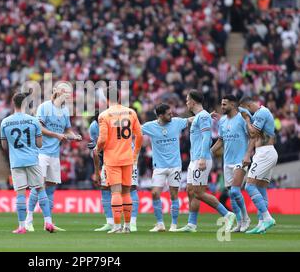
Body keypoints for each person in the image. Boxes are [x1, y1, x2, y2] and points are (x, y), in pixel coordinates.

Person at [175, 90, 236, 233]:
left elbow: (206, 137)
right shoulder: (201, 117)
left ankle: (228, 214)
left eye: (187, 100)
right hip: (194, 159)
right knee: (190, 191)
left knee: (199, 192)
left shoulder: (202, 117)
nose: (186, 102)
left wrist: (202, 157)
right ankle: (191, 224)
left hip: (200, 159)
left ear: (193, 102)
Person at [25, 82, 82, 232]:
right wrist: (56, 135)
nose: (69, 95)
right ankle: (28, 219)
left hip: (54, 154)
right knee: (38, 186)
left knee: (50, 189)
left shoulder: (65, 111)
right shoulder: (45, 107)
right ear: (59, 92)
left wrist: (74, 136)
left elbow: (67, 130)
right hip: (41, 152)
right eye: (67, 92)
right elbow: (39, 127)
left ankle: (47, 222)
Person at [0, 92, 55, 234]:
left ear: (13, 103)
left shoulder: (5, 122)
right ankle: (48, 222)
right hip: (32, 159)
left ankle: (21, 227)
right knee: (40, 189)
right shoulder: (33, 121)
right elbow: (39, 143)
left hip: (16, 162)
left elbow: (4, 146)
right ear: (25, 103)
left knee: (20, 193)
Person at [94, 84, 143, 233]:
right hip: (128, 158)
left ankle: (116, 226)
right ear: (120, 97)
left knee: (115, 192)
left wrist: (97, 148)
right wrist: (135, 155)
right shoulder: (131, 112)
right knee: (127, 193)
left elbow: (102, 139)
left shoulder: (104, 115)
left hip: (112, 158)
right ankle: (127, 226)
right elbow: (139, 135)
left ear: (107, 99)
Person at [141, 103, 188, 232]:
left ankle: (174, 225)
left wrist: (204, 116)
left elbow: (190, 120)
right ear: (160, 115)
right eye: (168, 114)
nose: (171, 115)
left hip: (175, 166)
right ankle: (160, 224)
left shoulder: (177, 122)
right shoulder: (150, 126)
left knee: (174, 195)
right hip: (159, 167)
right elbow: (134, 130)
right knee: (155, 193)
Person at [211, 95, 251, 233]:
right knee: (231, 193)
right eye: (221, 104)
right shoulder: (222, 121)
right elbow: (221, 140)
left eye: (224, 104)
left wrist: (248, 155)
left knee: (235, 190)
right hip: (227, 161)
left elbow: (252, 137)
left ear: (233, 105)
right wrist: (209, 152)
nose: (222, 107)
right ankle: (239, 223)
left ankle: (246, 218)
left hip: (240, 160)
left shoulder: (242, 119)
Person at [239, 96, 278, 234]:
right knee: (261, 188)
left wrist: (247, 119)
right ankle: (262, 224)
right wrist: (248, 154)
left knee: (249, 185)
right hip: (264, 152)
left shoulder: (262, 113)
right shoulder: (259, 115)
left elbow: (253, 132)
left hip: (265, 153)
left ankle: (267, 218)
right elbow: (253, 138)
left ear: (248, 106)